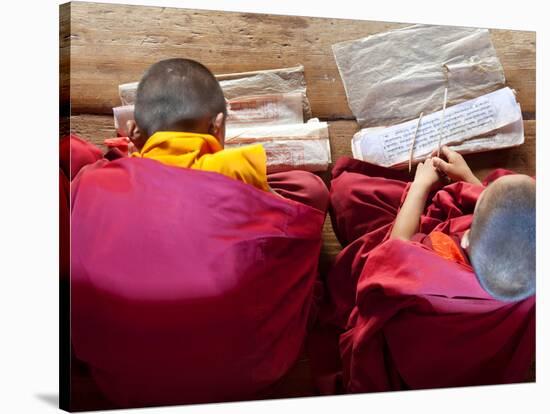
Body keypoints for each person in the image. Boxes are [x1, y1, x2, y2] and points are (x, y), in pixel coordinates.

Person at [69, 58, 328, 409]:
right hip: (252, 371)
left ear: (132, 134)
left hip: (120, 381)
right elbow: (309, 194)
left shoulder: (94, 181)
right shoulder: (233, 168)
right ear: (218, 127)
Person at [310, 147, 535, 394]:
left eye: (481, 194)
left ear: (467, 238)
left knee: (348, 193)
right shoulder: (532, 281)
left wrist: (421, 184)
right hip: (463, 362)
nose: (476, 191)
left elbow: (395, 249)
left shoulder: (434, 267)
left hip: (407, 337)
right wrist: (468, 178)